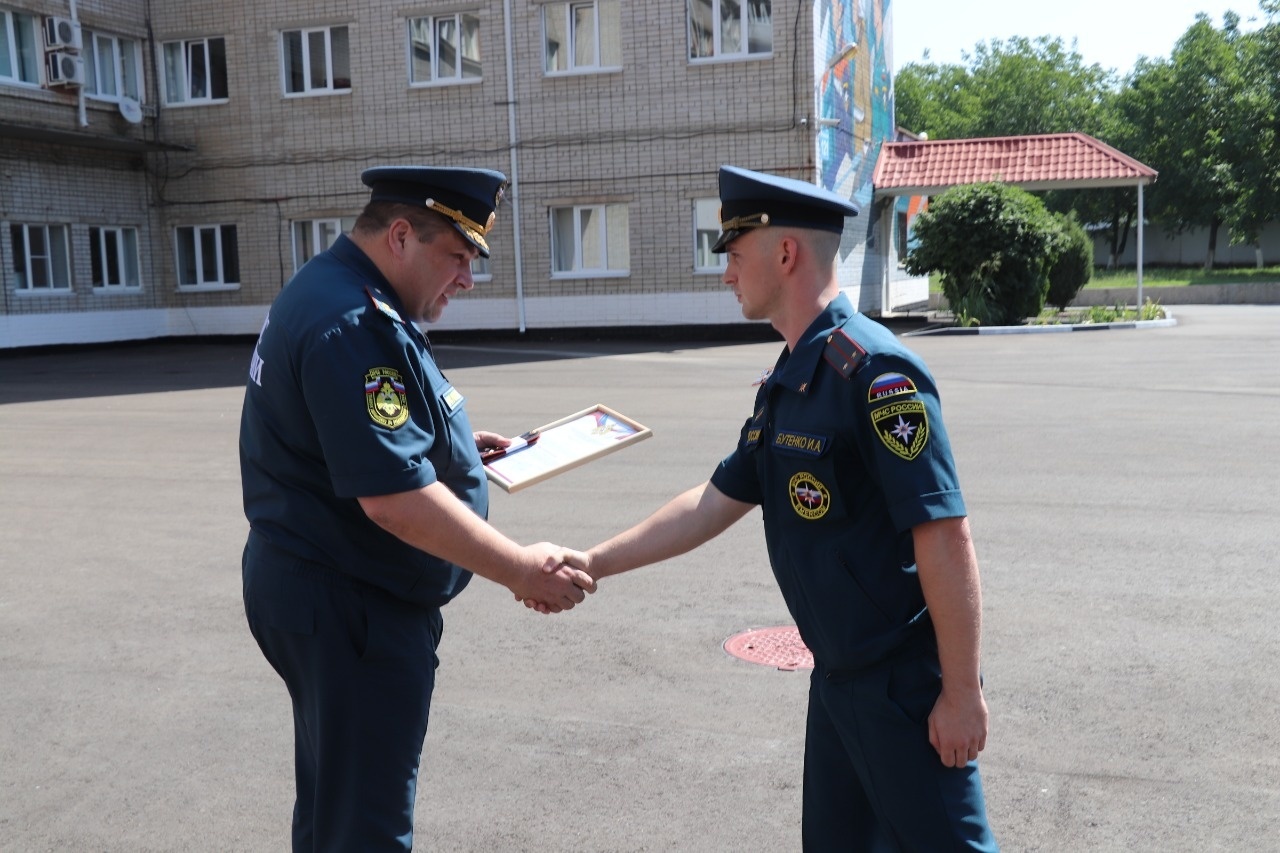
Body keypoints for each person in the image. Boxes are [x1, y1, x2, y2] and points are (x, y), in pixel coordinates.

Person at [543, 165, 999, 850]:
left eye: (732, 251)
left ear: (784, 254)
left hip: (902, 688)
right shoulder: (789, 382)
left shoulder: (875, 374)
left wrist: (961, 692)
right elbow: (711, 501)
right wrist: (593, 561)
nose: (725, 270)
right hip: (838, 683)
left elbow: (943, 531)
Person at [239, 165, 595, 852]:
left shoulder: (339, 291)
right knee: (365, 827)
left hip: (324, 592)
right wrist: (521, 568)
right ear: (401, 235)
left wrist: (454, 450)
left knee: (336, 809)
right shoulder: (352, 321)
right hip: (353, 608)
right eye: (457, 257)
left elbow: (362, 433)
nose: (466, 277)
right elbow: (395, 501)